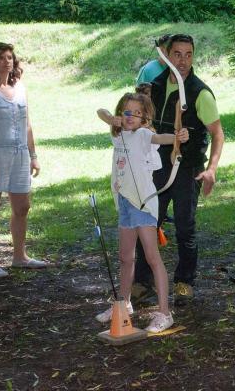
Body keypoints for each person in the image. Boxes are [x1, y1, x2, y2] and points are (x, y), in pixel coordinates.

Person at [132, 34, 225, 307]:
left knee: (185, 226)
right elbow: (140, 125)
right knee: (149, 222)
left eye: (188, 54)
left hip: (188, 167)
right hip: (158, 166)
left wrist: (212, 169)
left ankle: (185, 281)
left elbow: (218, 135)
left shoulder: (200, 92)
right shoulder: (155, 87)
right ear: (167, 56)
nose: (183, 61)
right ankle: (142, 281)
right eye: (177, 54)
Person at [95, 93, 188, 332]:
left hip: (143, 204)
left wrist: (178, 136)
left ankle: (165, 313)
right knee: (126, 258)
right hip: (125, 204)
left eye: (137, 113)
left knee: (152, 257)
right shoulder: (118, 136)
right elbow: (101, 112)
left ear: (145, 118)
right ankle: (123, 304)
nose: (131, 117)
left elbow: (161, 137)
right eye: (127, 112)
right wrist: (111, 119)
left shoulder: (145, 135)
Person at [0, 42, 46, 278]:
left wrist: (33, 156)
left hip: (20, 154)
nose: (7, 61)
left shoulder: (20, 88)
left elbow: (27, 125)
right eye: (2, 57)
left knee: (22, 206)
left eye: (10, 57)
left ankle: (19, 257)